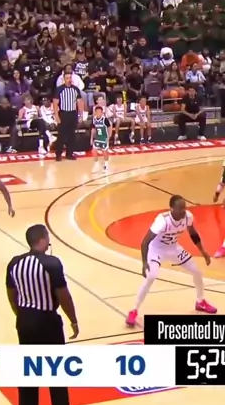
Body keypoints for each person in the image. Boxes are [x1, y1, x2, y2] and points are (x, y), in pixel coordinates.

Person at [6, 223, 78, 405]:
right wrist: (73, 320)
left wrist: (21, 315)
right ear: (43, 239)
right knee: (56, 370)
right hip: (48, 322)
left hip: (24, 322)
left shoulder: (14, 263)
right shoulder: (52, 263)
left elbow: (11, 294)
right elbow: (64, 295)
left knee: (29, 371)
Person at [126, 194, 216, 327]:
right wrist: (144, 262)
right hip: (156, 249)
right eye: (180, 208)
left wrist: (203, 252)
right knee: (151, 277)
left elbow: (193, 234)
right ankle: (133, 310)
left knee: (197, 272)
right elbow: (145, 241)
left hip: (173, 248)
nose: (183, 211)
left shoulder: (188, 217)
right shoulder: (162, 221)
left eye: (184, 208)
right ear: (172, 208)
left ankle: (200, 302)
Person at [52, 71, 84, 161]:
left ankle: (69, 154)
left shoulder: (76, 89)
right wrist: (57, 116)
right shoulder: (59, 89)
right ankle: (58, 154)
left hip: (73, 114)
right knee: (61, 135)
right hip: (63, 114)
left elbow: (80, 102)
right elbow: (55, 104)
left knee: (71, 135)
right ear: (64, 79)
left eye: (70, 78)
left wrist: (80, 115)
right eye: (67, 78)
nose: (69, 80)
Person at [90, 104, 110, 173]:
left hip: (104, 138)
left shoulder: (105, 119)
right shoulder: (94, 119)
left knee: (105, 152)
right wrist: (91, 138)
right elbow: (93, 129)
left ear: (102, 112)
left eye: (100, 112)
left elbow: (109, 127)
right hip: (97, 138)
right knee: (94, 151)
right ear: (95, 112)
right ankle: (96, 164)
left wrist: (109, 137)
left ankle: (106, 165)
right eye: (97, 112)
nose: (98, 113)